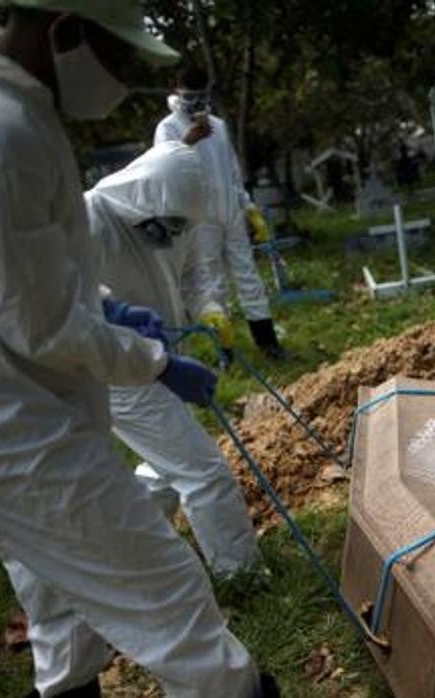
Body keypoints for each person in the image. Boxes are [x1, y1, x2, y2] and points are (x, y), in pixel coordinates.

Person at [0, 4, 275, 696]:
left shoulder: (4, 115)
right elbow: (44, 327)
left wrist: (106, 308)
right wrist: (155, 362)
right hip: (6, 420)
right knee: (170, 599)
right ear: (64, 32)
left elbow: (9, 278)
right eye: (115, 58)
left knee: (62, 608)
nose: (118, 79)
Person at [85, 141, 261, 577]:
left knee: (167, 468)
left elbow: (195, 272)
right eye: (165, 226)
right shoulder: (87, 221)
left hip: (161, 356)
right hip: (117, 371)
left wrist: (211, 309)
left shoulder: (175, 216)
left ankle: (121, 550)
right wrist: (144, 348)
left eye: (179, 227)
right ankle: (241, 574)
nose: (171, 235)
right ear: (143, 193)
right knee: (203, 471)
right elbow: (75, 309)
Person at [153, 66, 287, 360]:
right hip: (199, 216)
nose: (195, 102)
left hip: (231, 211)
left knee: (248, 275)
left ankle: (268, 343)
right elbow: (162, 166)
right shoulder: (168, 127)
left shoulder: (219, 126)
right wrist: (188, 140)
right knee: (211, 281)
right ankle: (225, 350)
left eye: (201, 96)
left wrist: (248, 207)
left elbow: (232, 170)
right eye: (189, 96)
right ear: (176, 92)